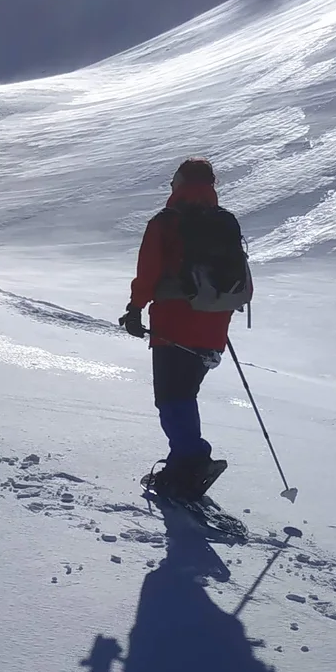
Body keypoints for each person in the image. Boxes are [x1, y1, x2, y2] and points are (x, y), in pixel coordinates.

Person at [119, 158, 251, 500]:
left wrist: (135, 309)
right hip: (214, 327)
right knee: (183, 395)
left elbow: (148, 273)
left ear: (178, 183)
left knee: (171, 398)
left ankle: (193, 460)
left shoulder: (166, 222)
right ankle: (183, 465)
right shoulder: (225, 221)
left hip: (174, 326)